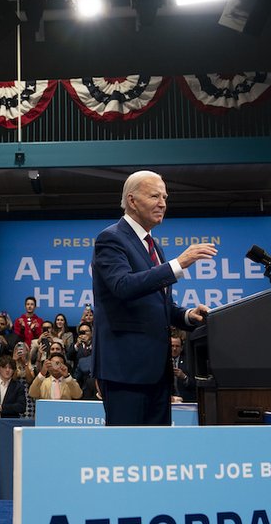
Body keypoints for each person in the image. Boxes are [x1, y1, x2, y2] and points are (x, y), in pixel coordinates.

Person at [91, 170, 217, 426]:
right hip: (126, 371)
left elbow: (158, 304)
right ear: (133, 200)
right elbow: (123, 286)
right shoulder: (111, 238)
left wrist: (186, 316)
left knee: (154, 454)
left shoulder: (153, 245)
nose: (163, 203)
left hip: (158, 373)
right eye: (154, 196)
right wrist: (178, 264)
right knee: (127, 451)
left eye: (165, 197)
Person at [170, 333, 196, 403]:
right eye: (172, 346)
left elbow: (195, 385)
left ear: (181, 348)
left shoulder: (189, 361)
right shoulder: (162, 362)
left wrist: (184, 377)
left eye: (177, 346)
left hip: (186, 401)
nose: (174, 349)